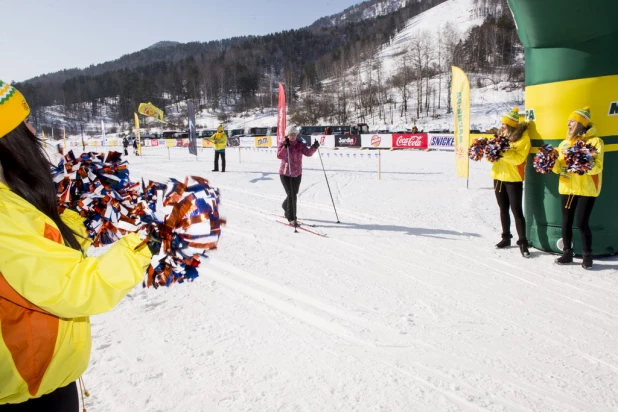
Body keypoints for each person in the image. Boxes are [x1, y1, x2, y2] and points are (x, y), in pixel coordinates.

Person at [0, 81, 152, 411]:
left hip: (47, 383)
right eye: (24, 122)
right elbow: (75, 287)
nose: (33, 128)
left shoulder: (10, 195)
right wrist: (148, 239)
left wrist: (84, 218)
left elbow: (42, 249)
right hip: (25, 397)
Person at [552, 106, 603, 269]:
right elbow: (559, 168)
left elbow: (598, 167)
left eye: (572, 121)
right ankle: (567, 253)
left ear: (581, 123)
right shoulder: (564, 143)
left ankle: (587, 255)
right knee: (566, 222)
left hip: (586, 189)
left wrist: (584, 162)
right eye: (568, 121)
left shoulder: (595, 142)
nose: (568, 124)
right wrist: (553, 161)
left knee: (582, 223)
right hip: (567, 188)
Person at [489, 108, 531, 257]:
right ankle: (506, 237)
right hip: (499, 176)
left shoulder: (523, 139)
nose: (502, 127)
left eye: (504, 124)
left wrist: (502, 151)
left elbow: (518, 159)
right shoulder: (501, 136)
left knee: (516, 211)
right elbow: (494, 157)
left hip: (513, 178)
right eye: (502, 124)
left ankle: (523, 243)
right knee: (502, 209)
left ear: (512, 125)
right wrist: (491, 154)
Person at [277, 127, 319, 225]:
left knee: (293, 194)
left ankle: (285, 205)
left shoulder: (300, 145)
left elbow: (308, 153)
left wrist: (314, 147)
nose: (292, 136)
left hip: (297, 173)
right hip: (285, 173)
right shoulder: (283, 144)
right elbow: (279, 155)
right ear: (287, 136)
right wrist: (285, 147)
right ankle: (291, 217)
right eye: (291, 135)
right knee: (292, 195)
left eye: (294, 135)